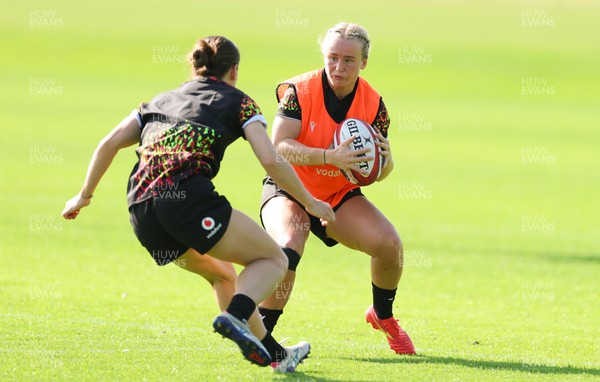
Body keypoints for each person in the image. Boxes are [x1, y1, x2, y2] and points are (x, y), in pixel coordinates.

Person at [61, 35, 335, 372]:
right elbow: (271, 159)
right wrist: (310, 202)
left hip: (141, 208)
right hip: (186, 200)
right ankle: (234, 318)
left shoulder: (160, 100)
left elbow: (108, 143)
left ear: (194, 66)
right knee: (273, 258)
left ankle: (277, 357)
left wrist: (84, 195)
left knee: (223, 275)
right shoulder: (240, 102)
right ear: (234, 70)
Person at [258, 23, 416, 355]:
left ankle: (383, 316)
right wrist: (330, 156)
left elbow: (378, 172)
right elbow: (278, 147)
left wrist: (385, 162)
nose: (338, 67)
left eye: (348, 60)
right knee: (287, 250)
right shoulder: (298, 91)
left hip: (337, 195)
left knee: (389, 245)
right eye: (332, 58)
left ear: (363, 63)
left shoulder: (374, 105)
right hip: (292, 190)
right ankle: (260, 338)